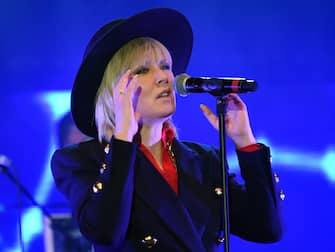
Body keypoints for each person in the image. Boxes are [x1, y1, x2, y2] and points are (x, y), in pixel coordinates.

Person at [51, 8, 284, 252]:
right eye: (143, 70)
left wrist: (244, 141)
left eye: (165, 66)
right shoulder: (80, 160)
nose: (163, 77)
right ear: (113, 91)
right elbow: (105, 231)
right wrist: (123, 139)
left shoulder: (205, 160)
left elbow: (268, 229)